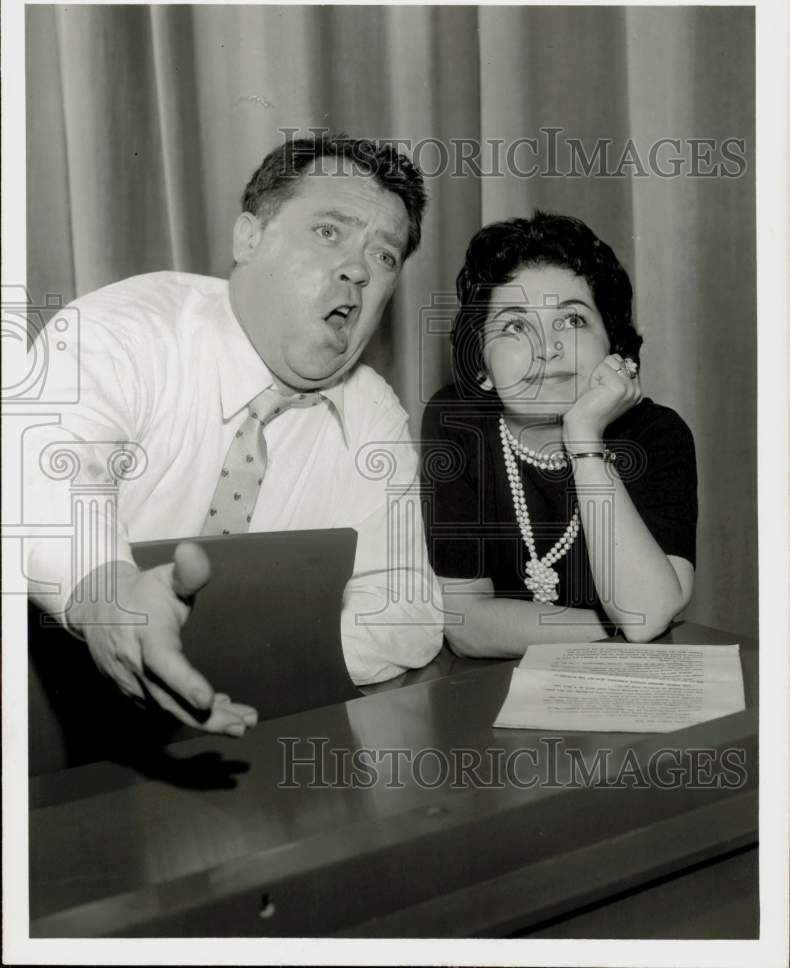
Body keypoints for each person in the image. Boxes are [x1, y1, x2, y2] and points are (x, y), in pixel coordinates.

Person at [26, 133, 444, 737]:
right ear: (248, 238)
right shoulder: (125, 332)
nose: (357, 269)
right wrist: (107, 598)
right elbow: (50, 481)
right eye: (329, 231)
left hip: (254, 741)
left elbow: (405, 609)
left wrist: (238, 671)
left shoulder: (372, 414)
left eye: (384, 256)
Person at [421, 211, 697, 657]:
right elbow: (465, 625)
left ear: (614, 347)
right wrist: (614, 625)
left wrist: (585, 437)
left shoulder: (657, 434)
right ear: (483, 367)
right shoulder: (457, 421)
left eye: (571, 321)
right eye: (515, 326)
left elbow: (644, 613)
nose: (547, 349)